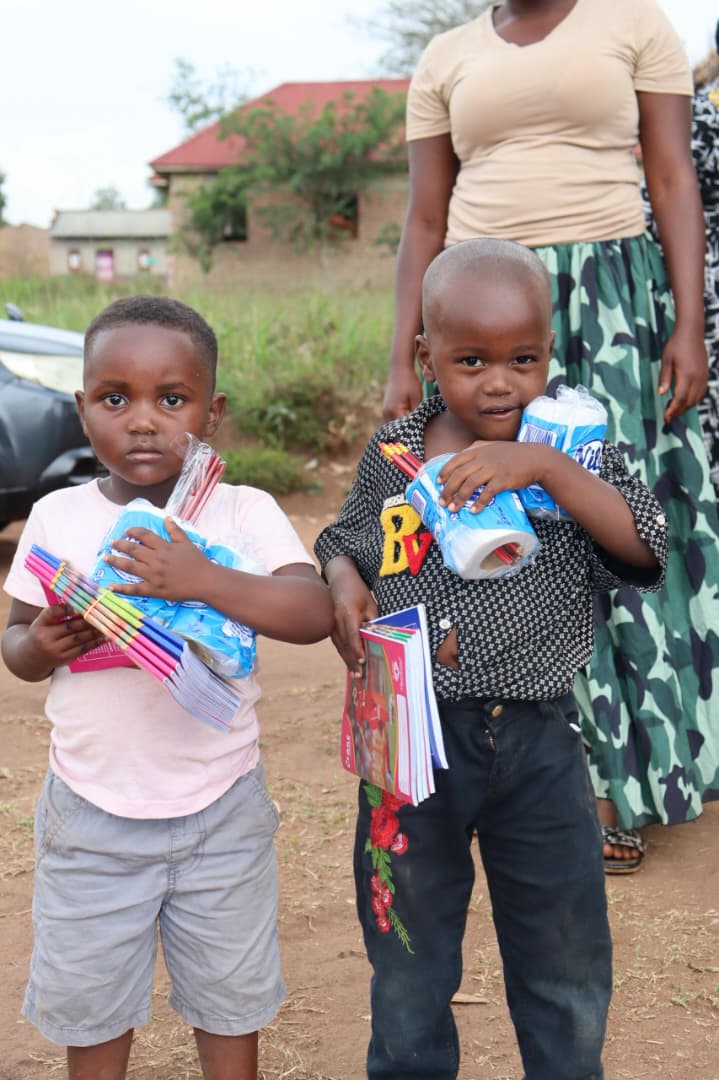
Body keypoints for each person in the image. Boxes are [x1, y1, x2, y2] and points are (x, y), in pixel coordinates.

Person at [315, 238, 668, 1080]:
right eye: (470, 360)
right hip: (412, 741)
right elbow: (344, 538)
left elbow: (642, 546)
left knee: (562, 955)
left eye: (522, 359)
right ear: (425, 356)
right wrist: (342, 579)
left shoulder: (574, 446)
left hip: (540, 741)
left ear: (549, 351)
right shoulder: (397, 453)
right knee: (408, 955)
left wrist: (542, 466)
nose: (500, 382)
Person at [383, 0, 719, 872]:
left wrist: (687, 324)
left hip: (608, 299)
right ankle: (541, 774)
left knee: (603, 522)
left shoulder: (634, 25)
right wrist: (400, 358)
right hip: (476, 308)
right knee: (498, 535)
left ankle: (625, 779)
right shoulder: (445, 56)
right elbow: (423, 219)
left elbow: (670, 177)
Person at [1, 295, 334, 1080]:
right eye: (116, 399)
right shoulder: (57, 516)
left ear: (211, 412)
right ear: (83, 409)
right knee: (93, 1007)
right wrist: (39, 646)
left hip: (221, 813)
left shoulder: (242, 512)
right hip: (90, 817)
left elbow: (312, 611)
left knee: (230, 1003)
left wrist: (202, 578)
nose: (143, 421)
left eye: (172, 399)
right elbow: (16, 639)